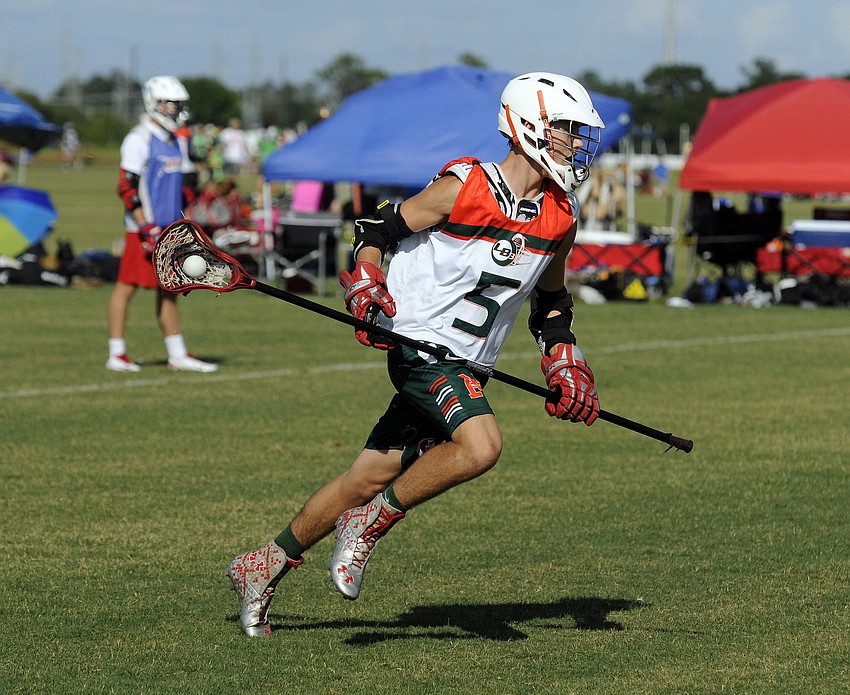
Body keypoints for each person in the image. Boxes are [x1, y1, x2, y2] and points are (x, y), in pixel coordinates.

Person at [226, 72, 604, 636]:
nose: (577, 146)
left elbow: (550, 301)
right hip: (419, 347)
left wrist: (564, 358)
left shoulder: (560, 218)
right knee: (481, 447)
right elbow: (376, 229)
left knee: (366, 476)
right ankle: (369, 526)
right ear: (530, 127)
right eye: (567, 132)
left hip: (469, 363)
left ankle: (262, 565)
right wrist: (366, 280)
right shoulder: (465, 187)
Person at [106, 76, 217, 373]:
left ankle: (177, 354)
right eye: (168, 103)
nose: (173, 109)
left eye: (176, 104)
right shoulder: (138, 138)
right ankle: (116, 353)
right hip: (144, 229)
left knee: (169, 288)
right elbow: (127, 188)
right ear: (153, 103)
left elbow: (183, 185)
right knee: (126, 286)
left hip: (170, 229)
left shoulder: (175, 140)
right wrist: (145, 227)